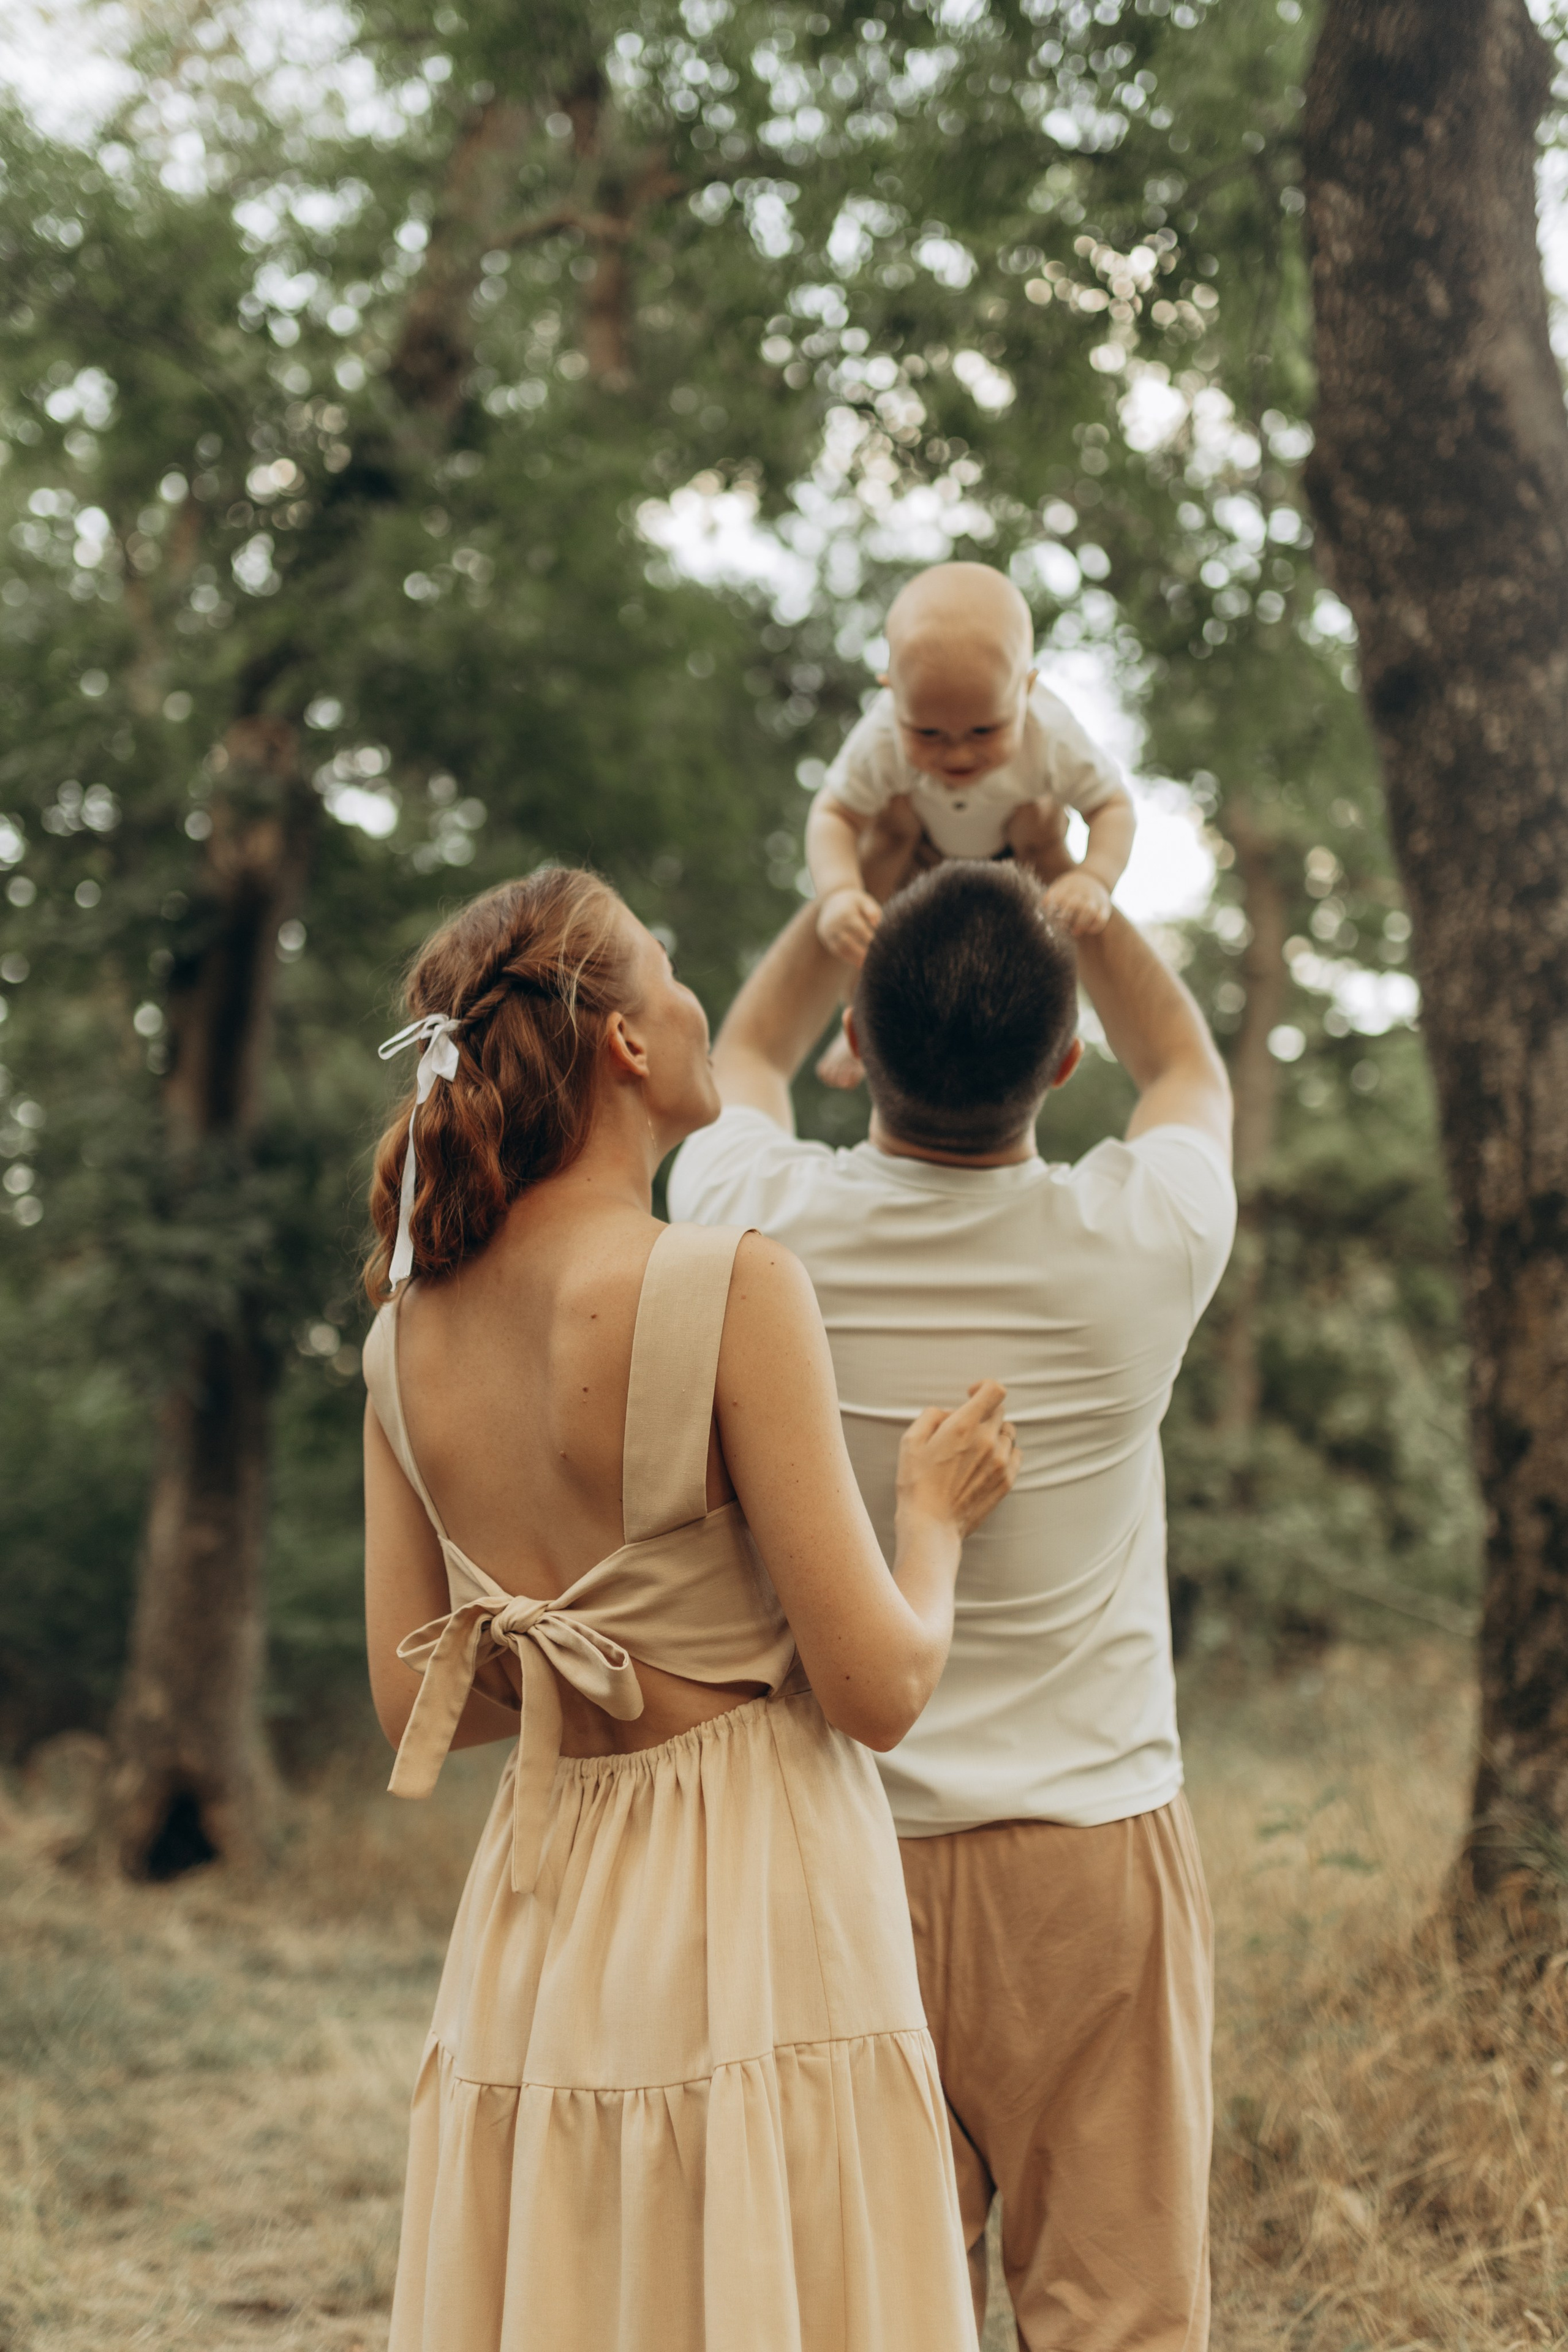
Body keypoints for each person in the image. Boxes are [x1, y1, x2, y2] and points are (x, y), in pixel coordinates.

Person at [360, 867, 1021, 2352]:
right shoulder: (724, 1282)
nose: (694, 997)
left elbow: (418, 1706)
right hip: (753, 1889)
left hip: (542, 1903)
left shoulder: (403, 1343)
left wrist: (561, 1633)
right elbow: (878, 1689)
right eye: (668, 971)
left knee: (583, 2284)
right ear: (627, 1045)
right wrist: (932, 1521)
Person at [668, 850, 1235, 2352]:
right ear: (1061, 1060)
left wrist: (840, 879)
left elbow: (740, 1053)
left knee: (863, 2314)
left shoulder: (751, 1233)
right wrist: (1080, 902)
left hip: (840, 1854)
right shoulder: (1138, 1248)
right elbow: (1182, 1063)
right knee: (1119, 2318)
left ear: (858, 1040)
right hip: (1090, 1860)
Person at [804, 562, 1135, 1085]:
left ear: (1026, 690)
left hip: (1016, 859)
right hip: (919, 855)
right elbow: (835, 814)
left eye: (984, 729)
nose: (957, 752)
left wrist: (1095, 877)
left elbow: (1111, 806)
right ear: (891, 694)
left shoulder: (1053, 735)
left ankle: (1052, 1039)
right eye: (929, 732)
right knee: (870, 934)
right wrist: (839, 892)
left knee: (1053, 941)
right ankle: (863, 1026)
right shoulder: (880, 736)